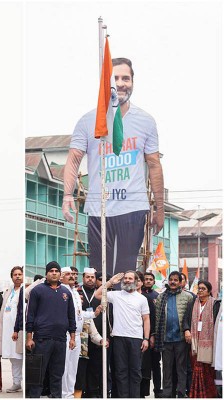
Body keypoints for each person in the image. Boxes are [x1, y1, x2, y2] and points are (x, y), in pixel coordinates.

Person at [62, 58, 164, 276]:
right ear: (105, 83)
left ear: (133, 82)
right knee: (99, 274)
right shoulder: (88, 121)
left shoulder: (146, 121)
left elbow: (154, 164)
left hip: (133, 209)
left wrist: (160, 210)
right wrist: (67, 196)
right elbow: (73, 159)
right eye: (114, 78)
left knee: (126, 273)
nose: (120, 83)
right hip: (100, 208)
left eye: (125, 78)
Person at [94, 270, 150, 398]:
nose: (127, 280)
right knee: (121, 372)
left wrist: (146, 338)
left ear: (136, 282)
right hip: (118, 337)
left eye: (130, 278)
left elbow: (146, 319)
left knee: (135, 372)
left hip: (136, 339)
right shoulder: (116, 295)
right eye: (125, 278)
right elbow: (97, 294)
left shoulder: (142, 299)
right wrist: (110, 282)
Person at [26, 261, 76, 398]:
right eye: (51, 271)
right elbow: (30, 315)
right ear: (46, 273)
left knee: (57, 374)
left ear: (60, 274)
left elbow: (71, 317)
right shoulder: (37, 291)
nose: (54, 273)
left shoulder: (66, 292)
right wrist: (29, 338)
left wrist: (72, 338)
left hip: (60, 340)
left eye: (56, 271)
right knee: (38, 374)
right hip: (41, 339)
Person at [61, 267, 105, 398]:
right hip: (67, 334)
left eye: (73, 275)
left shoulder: (74, 291)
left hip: (78, 335)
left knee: (73, 368)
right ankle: (63, 395)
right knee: (65, 367)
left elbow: (79, 314)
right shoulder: (61, 291)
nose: (71, 277)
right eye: (67, 274)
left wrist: (94, 313)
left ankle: (69, 395)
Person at [155, 271, 194, 398]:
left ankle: (181, 394)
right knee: (166, 369)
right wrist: (155, 335)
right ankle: (167, 394)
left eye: (175, 280)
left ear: (180, 282)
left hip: (181, 339)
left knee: (181, 369)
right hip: (165, 339)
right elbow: (157, 318)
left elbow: (190, 318)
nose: (172, 282)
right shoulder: (162, 297)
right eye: (171, 279)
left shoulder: (188, 297)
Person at [183, 280, 220, 398]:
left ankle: (209, 394)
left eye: (203, 289)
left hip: (209, 342)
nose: (200, 291)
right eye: (198, 288)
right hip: (194, 341)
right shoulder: (193, 303)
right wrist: (187, 330)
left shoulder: (215, 304)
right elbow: (185, 319)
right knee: (195, 368)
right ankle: (196, 394)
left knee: (208, 369)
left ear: (209, 291)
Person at [0, 266, 24, 393]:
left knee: (21, 355)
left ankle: (25, 382)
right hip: (8, 330)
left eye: (20, 274)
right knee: (13, 357)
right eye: (15, 274)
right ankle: (16, 382)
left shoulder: (25, 291)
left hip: (20, 329)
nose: (18, 276)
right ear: (12, 277)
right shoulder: (8, 291)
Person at [142, 271, 163, 397]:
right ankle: (143, 391)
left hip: (155, 336)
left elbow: (157, 317)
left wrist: (154, 335)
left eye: (151, 279)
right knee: (144, 365)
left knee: (156, 364)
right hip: (142, 335)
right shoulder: (139, 295)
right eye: (146, 279)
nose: (148, 281)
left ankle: (157, 389)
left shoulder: (158, 296)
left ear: (154, 282)